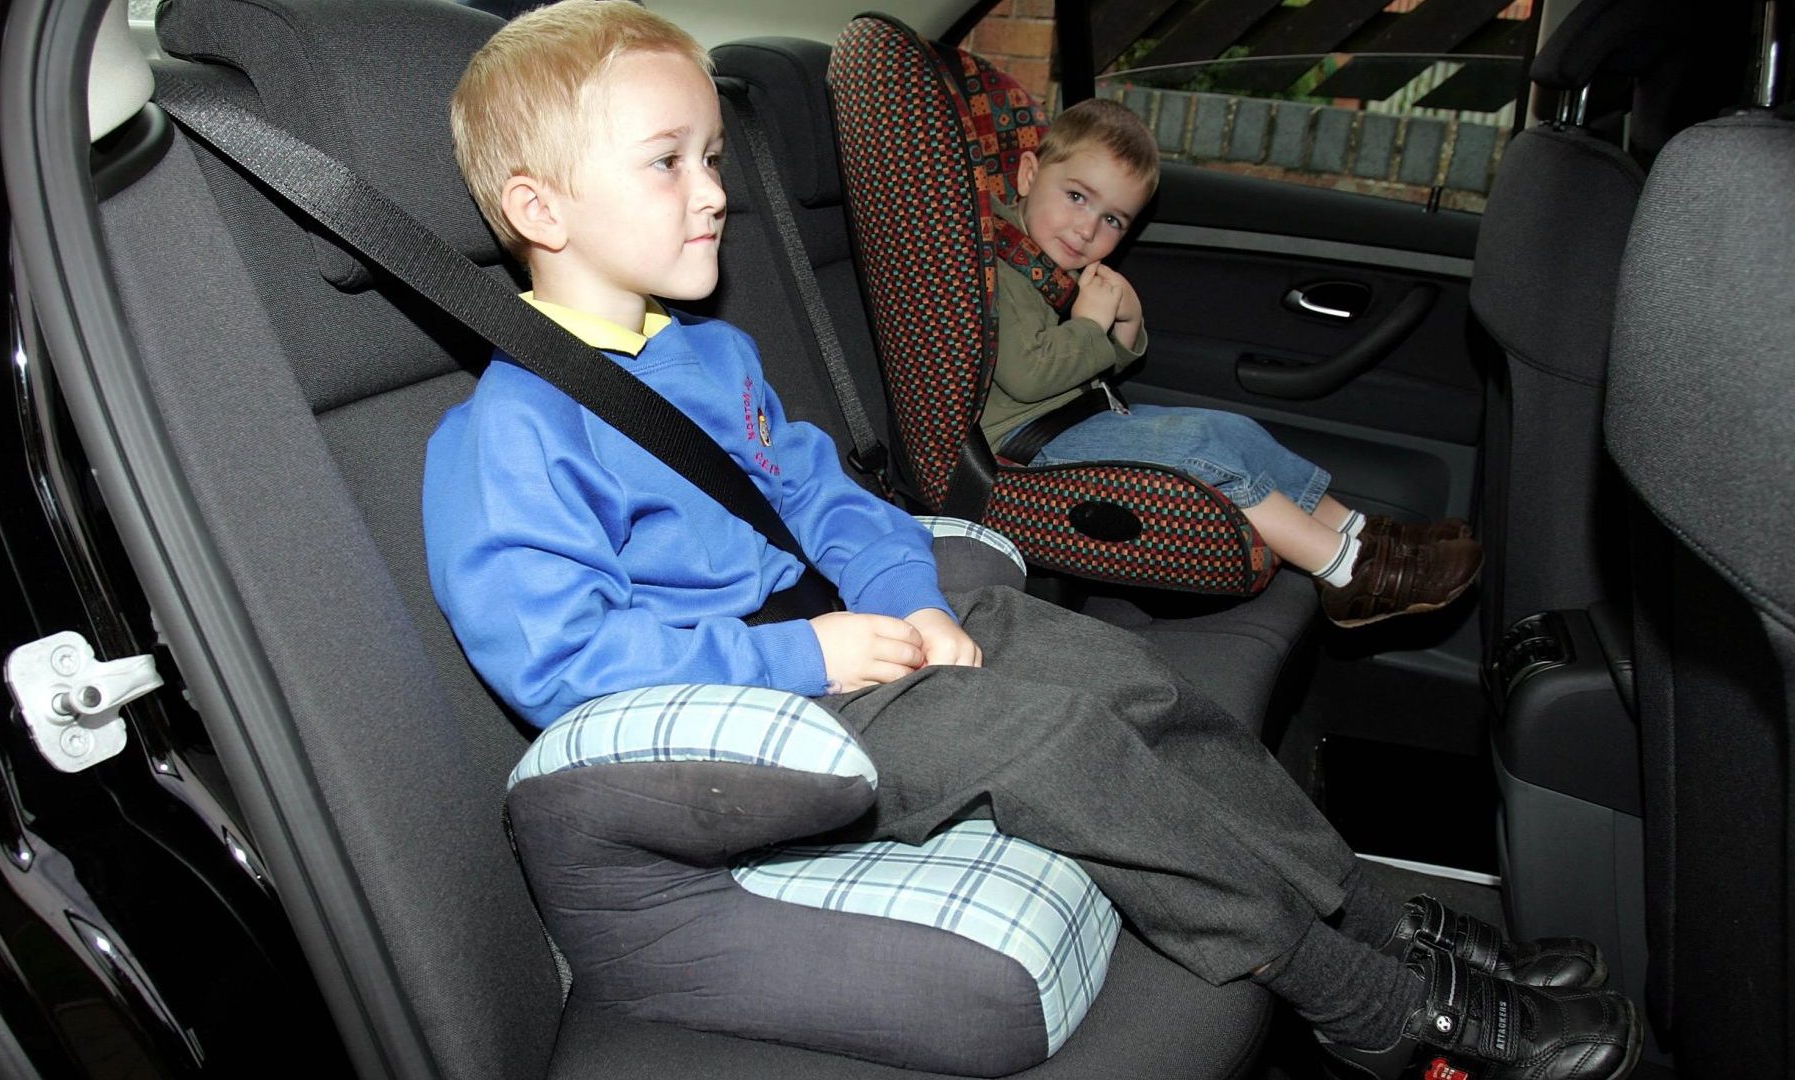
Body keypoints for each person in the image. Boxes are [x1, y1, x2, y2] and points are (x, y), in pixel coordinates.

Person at [426, 4, 1637, 1078]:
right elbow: (562, 661)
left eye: (711, 157)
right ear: (539, 208)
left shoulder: (708, 354)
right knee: (1055, 745)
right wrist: (808, 658)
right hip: (740, 718)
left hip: (849, 636)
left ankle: (1372, 915)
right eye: (667, 163)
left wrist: (911, 596)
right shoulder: (511, 432)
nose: (712, 193)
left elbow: (832, 500)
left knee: (1128, 682)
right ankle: (1367, 1007)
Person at [981, 98, 1481, 628]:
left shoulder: (1044, 261)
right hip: (1025, 443)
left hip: (1074, 419)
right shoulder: (995, 266)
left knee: (1232, 430)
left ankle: (1361, 532)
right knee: (1199, 449)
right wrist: (1088, 325)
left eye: (1112, 219)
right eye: (1077, 197)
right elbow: (1031, 376)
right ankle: (1346, 572)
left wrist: (1125, 324)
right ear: (1029, 174)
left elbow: (1088, 368)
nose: (1087, 229)